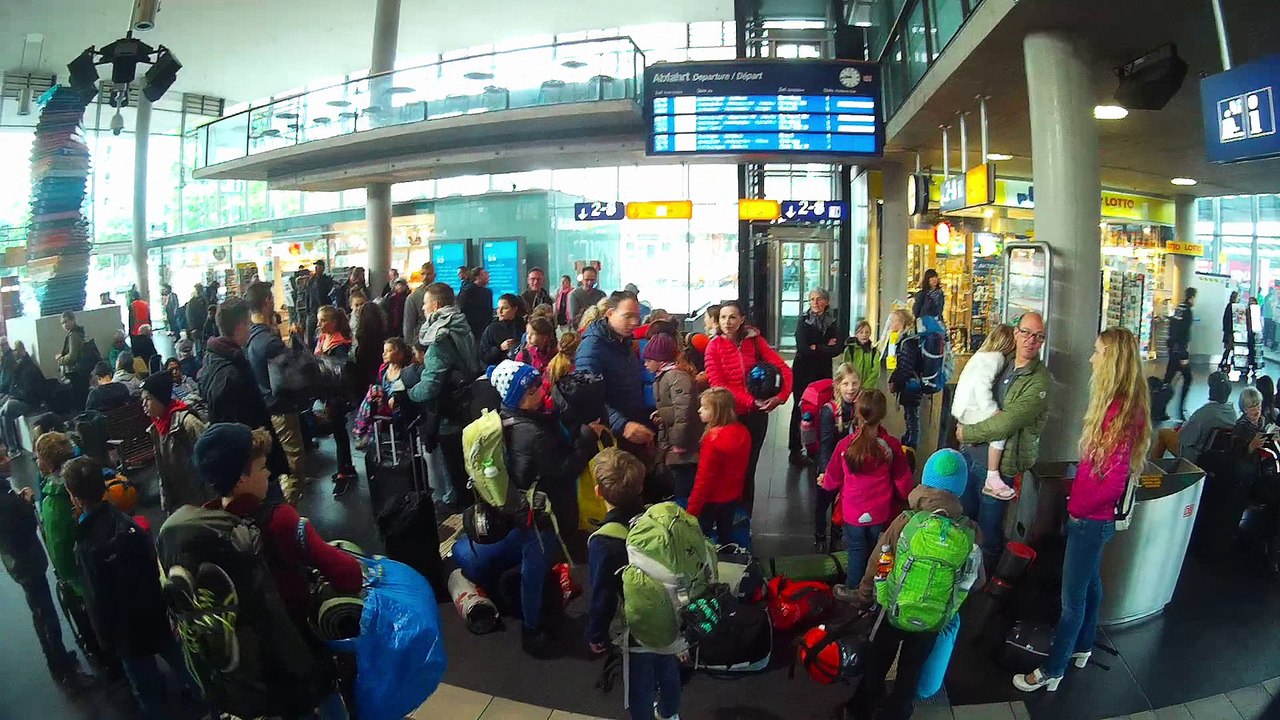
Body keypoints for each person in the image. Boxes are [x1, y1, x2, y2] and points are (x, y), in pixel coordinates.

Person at [1014, 327, 1150, 693]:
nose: (1091, 359)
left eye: (1097, 352)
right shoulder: (1119, 407)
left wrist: (1077, 505)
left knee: (1071, 600)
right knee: (1090, 586)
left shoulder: (1120, 413)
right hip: (1094, 519)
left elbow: (1113, 481)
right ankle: (1084, 648)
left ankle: (1052, 670)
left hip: (1091, 520)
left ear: (1113, 361)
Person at [842, 448, 979, 720]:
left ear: (925, 481)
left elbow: (877, 561)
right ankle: (898, 710)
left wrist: (865, 596)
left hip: (892, 608)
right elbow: (974, 579)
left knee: (877, 660)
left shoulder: (906, 521)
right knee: (911, 670)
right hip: (932, 618)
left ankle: (861, 709)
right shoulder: (969, 532)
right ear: (960, 489)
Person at [62, 456, 192, 719]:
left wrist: (105, 639)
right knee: (184, 665)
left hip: (126, 635)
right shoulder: (131, 526)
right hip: (154, 615)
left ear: (74, 497)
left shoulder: (85, 546)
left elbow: (96, 599)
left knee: (146, 692)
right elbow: (152, 568)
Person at [194, 423, 363, 624]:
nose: (268, 473)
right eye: (262, 467)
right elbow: (350, 575)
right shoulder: (280, 520)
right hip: (296, 630)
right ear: (240, 479)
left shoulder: (207, 525)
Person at [585, 447, 682, 720]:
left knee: (639, 685)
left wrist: (596, 634)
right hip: (672, 612)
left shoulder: (604, 541)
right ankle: (670, 713)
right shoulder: (658, 517)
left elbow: (602, 596)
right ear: (641, 486)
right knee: (667, 665)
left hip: (637, 625)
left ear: (598, 492)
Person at [956, 312, 1051, 570]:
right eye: (1026, 333)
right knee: (964, 523)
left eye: (1038, 336)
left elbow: (1006, 422)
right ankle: (961, 577)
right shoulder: (1002, 361)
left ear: (1042, 341)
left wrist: (967, 433)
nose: (1031, 340)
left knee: (989, 532)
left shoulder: (1039, 382)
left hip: (998, 470)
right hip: (971, 457)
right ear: (1016, 333)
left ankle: (986, 592)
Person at [493, 358, 601, 549]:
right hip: (552, 507)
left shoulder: (513, 417)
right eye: (533, 391)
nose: (541, 392)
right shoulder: (532, 434)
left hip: (545, 498)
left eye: (540, 386)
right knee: (563, 548)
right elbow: (566, 468)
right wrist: (587, 436)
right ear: (517, 399)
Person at [0, 473, 93, 689]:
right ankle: (63, 669)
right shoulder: (4, 498)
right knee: (46, 615)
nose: (6, 461)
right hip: (26, 561)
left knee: (41, 612)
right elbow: (23, 524)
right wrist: (27, 502)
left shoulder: (4, 491)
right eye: (1, 457)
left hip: (19, 561)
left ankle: (57, 658)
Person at [703, 299, 792, 516]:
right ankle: (723, 520)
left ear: (742, 319)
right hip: (728, 417)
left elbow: (783, 369)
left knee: (748, 468)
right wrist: (751, 401)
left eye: (733, 317)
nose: (727, 322)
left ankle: (744, 521)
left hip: (755, 416)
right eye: (723, 317)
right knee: (727, 471)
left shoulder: (755, 342)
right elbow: (719, 385)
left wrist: (780, 397)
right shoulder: (713, 347)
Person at [822, 388, 913, 592]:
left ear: (856, 413)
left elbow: (832, 480)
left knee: (855, 551)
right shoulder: (891, 446)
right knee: (881, 551)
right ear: (882, 415)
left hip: (853, 514)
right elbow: (903, 482)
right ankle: (877, 591)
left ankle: (854, 589)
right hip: (880, 513)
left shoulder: (845, 445)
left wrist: (824, 482)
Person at [197, 297, 288, 497]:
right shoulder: (233, 374)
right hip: (250, 468)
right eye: (247, 323)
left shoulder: (213, 360)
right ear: (239, 326)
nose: (250, 327)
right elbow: (244, 424)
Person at [408, 282, 481, 508]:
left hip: (449, 413)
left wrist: (409, 391)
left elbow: (431, 385)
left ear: (436, 305)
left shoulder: (440, 337)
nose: (422, 308)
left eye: (425, 303)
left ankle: (463, 521)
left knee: (456, 473)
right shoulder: (462, 325)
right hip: (467, 406)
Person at [577, 292, 657, 463]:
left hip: (634, 432)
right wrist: (622, 425)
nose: (634, 323)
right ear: (610, 314)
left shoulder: (624, 342)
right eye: (627, 316)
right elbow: (588, 397)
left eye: (637, 317)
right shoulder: (592, 348)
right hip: (612, 438)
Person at [950, 325, 1018, 500]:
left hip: (964, 410)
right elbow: (982, 388)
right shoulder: (995, 359)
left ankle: (973, 442)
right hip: (975, 408)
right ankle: (992, 475)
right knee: (1000, 429)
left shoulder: (979, 356)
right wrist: (993, 410)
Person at [141, 371, 211, 514]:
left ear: (161, 398)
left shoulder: (187, 423)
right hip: (180, 498)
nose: (143, 404)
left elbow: (209, 458)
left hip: (200, 498)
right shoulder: (157, 427)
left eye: (148, 399)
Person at [687, 386, 750, 543]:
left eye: (705, 407)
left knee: (702, 537)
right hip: (732, 495)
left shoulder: (712, 441)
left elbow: (704, 479)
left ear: (718, 411)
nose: (699, 410)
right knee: (726, 533)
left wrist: (692, 510)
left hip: (711, 499)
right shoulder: (743, 432)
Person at [645, 333, 701, 502]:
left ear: (660, 360)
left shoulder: (676, 377)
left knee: (683, 490)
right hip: (674, 445)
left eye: (648, 360)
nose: (645, 364)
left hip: (683, 450)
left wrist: (679, 444)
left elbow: (684, 411)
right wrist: (662, 414)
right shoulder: (667, 377)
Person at [790, 288, 843, 467]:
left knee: (823, 409)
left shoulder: (833, 322)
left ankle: (818, 448)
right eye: (812, 299)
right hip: (803, 372)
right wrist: (824, 346)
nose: (815, 302)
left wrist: (816, 347)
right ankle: (795, 450)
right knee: (800, 409)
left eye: (819, 299)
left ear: (826, 302)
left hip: (822, 372)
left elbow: (838, 348)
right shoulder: (803, 321)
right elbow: (803, 348)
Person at [814, 363, 861, 550]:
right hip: (829, 465)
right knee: (822, 504)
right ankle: (819, 536)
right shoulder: (829, 411)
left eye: (855, 383)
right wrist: (825, 472)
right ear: (838, 386)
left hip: (848, 466)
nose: (851, 388)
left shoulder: (859, 407)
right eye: (846, 384)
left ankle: (836, 535)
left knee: (841, 503)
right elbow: (825, 444)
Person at [315, 306, 358, 495]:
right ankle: (346, 467)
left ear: (333, 322)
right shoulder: (325, 339)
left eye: (323, 320)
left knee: (339, 431)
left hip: (336, 396)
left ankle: (344, 471)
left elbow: (338, 372)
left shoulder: (339, 345)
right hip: (329, 393)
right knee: (338, 432)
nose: (319, 324)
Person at [1157, 371, 1237, 463]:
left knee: (1163, 433)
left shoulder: (1203, 413)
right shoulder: (1232, 412)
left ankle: (1152, 471)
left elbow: (1184, 438)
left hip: (1198, 456)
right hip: (1218, 457)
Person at [884, 309, 923, 448]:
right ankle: (909, 440)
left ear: (901, 323)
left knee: (912, 416)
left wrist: (895, 382)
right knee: (910, 414)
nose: (890, 324)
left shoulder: (908, 342)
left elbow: (905, 367)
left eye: (893, 321)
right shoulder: (909, 339)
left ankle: (912, 445)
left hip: (911, 385)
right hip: (912, 383)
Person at [1, 342, 43, 456]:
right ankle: (11, 447)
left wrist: (14, 395)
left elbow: (28, 391)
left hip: (29, 402)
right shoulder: (20, 366)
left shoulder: (28, 367)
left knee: (6, 410)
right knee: (5, 410)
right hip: (21, 398)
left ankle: (12, 448)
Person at [1232, 387, 1275, 493]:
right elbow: (1236, 455)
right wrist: (1251, 447)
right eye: (1252, 407)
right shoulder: (1240, 427)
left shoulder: (1264, 420)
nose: (1257, 410)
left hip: (1268, 458)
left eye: (1258, 406)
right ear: (1244, 409)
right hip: (1253, 464)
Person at [1162, 287, 1197, 420]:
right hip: (1180, 351)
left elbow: (1173, 328)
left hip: (1172, 348)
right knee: (1188, 378)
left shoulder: (1178, 308)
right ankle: (1181, 408)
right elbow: (1184, 333)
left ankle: (1160, 406)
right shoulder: (1187, 311)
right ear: (1192, 297)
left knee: (1168, 379)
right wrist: (1183, 355)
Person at [350, 289, 389, 388]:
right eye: (357, 305)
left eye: (362, 304)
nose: (359, 308)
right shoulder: (383, 331)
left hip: (363, 375)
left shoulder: (361, 336)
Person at [479, 293, 527, 367]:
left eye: (504, 308)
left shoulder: (524, 326)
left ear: (514, 309)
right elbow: (484, 357)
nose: (500, 311)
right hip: (498, 368)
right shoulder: (492, 328)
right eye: (498, 308)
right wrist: (500, 348)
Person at [56, 310, 91, 406]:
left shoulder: (73, 335)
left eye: (66, 321)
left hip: (76, 372)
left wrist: (60, 360)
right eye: (62, 323)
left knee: (79, 400)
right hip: (83, 370)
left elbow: (72, 356)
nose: (65, 325)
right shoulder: (79, 332)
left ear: (73, 320)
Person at [457, 266, 495, 340]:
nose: (488, 276)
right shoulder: (468, 290)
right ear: (477, 277)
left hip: (484, 327)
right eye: (484, 274)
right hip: (472, 328)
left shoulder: (488, 291)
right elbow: (460, 306)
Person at [403, 260, 436, 342]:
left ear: (434, 275)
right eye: (423, 274)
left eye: (428, 274)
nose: (425, 277)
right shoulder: (413, 297)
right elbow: (409, 325)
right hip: (421, 340)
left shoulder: (441, 293)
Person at [843, 320, 880, 390]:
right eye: (861, 332)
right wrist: (855, 384)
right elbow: (847, 369)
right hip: (852, 388)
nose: (864, 334)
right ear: (856, 334)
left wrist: (865, 387)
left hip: (869, 389)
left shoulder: (874, 351)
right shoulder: (850, 350)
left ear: (870, 333)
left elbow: (876, 371)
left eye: (867, 332)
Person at [307, 260, 336, 348]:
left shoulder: (327, 281)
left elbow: (331, 296)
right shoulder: (311, 281)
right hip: (313, 312)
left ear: (323, 268)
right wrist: (307, 311)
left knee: (323, 334)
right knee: (310, 337)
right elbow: (307, 296)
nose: (316, 269)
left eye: (318, 267)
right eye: (315, 267)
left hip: (324, 312)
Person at [186, 284, 209, 357]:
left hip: (204, 325)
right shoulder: (192, 301)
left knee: (204, 344)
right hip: (197, 326)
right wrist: (192, 328)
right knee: (198, 346)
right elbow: (189, 315)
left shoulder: (204, 300)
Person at [1222, 290, 1239, 372]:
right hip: (1231, 332)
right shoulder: (1233, 307)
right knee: (1230, 348)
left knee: (1228, 349)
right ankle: (1226, 362)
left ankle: (1224, 361)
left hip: (1227, 331)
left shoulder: (1229, 306)